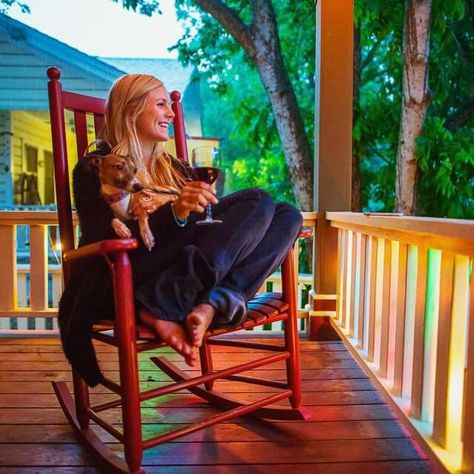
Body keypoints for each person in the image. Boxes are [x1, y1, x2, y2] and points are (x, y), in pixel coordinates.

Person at [61, 73, 302, 384]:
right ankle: (176, 299)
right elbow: (103, 239)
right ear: (132, 110)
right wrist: (175, 210)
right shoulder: (97, 168)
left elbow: (205, 226)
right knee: (258, 199)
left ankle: (210, 302)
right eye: (161, 104)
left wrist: (188, 209)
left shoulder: (174, 168)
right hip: (129, 273)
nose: (172, 114)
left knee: (287, 214)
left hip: (181, 271)